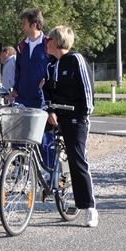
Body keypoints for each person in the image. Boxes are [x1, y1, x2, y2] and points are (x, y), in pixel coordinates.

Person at [42, 25, 98, 228]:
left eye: (48, 40)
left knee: (77, 160)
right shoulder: (50, 65)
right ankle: (47, 178)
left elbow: (87, 91)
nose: (45, 43)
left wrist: (82, 115)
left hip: (75, 117)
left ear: (57, 42)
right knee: (34, 141)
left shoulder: (76, 60)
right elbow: (46, 93)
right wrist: (49, 110)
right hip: (55, 116)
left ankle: (89, 207)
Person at [12, 7, 50, 108]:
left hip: (41, 100)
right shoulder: (21, 46)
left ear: (34, 25)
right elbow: (18, 71)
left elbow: (54, 69)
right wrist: (15, 89)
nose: (21, 27)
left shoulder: (49, 44)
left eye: (24, 23)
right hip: (22, 99)